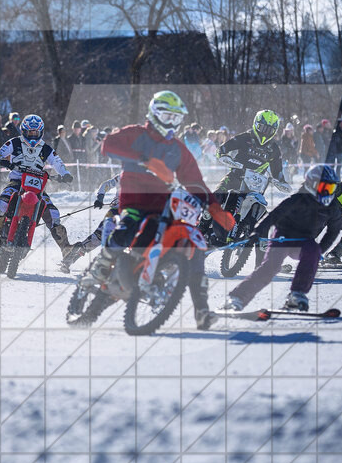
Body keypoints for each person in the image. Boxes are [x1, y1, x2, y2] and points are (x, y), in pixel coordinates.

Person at [99, 90, 236, 330]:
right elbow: (108, 145)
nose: (170, 122)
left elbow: (195, 182)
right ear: (153, 113)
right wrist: (143, 159)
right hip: (134, 200)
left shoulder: (178, 149)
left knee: (194, 244)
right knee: (127, 228)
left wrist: (215, 209)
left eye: (175, 118)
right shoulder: (137, 134)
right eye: (166, 116)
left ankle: (201, 310)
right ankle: (102, 268)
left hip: (162, 206)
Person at [225, 165, 342, 313]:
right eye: (324, 187)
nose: (327, 192)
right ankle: (237, 298)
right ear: (312, 184)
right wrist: (256, 234)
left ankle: (297, 294)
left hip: (304, 241)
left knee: (312, 251)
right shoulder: (297, 199)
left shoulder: (331, 207)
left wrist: (320, 250)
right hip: (283, 237)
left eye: (330, 189)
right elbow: (273, 216)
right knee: (271, 268)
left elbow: (334, 230)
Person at [0, 114, 74, 253]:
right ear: (24, 131)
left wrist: (65, 174)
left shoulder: (46, 148)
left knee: (53, 213)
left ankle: (66, 249)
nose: (33, 135)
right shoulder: (14, 142)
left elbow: (57, 162)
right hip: (16, 181)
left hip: (37, 186)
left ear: (41, 132)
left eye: (36, 132)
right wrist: (4, 162)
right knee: (2, 204)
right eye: (30, 132)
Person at [203, 109, 291, 243]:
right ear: (256, 124)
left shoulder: (274, 149)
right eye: (262, 128)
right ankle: (199, 230)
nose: (264, 132)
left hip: (255, 185)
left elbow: (278, 171)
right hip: (235, 177)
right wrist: (224, 156)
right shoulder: (245, 137)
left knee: (261, 212)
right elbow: (223, 149)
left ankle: (252, 239)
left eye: (269, 130)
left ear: (274, 131)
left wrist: (281, 182)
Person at [59, 173, 120, 273]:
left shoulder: (150, 177)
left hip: (138, 214)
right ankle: (68, 260)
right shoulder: (123, 175)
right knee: (98, 237)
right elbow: (106, 185)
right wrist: (100, 198)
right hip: (116, 211)